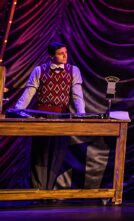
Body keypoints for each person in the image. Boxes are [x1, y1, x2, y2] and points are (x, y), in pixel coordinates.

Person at [14, 42, 86, 190]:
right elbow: (29, 92)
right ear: (51, 56)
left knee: (57, 155)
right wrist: (17, 110)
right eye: (61, 53)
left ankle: (48, 191)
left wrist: (82, 116)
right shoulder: (39, 70)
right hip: (42, 116)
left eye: (66, 52)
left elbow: (77, 96)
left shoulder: (73, 70)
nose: (65, 56)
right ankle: (37, 191)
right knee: (40, 154)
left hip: (62, 116)